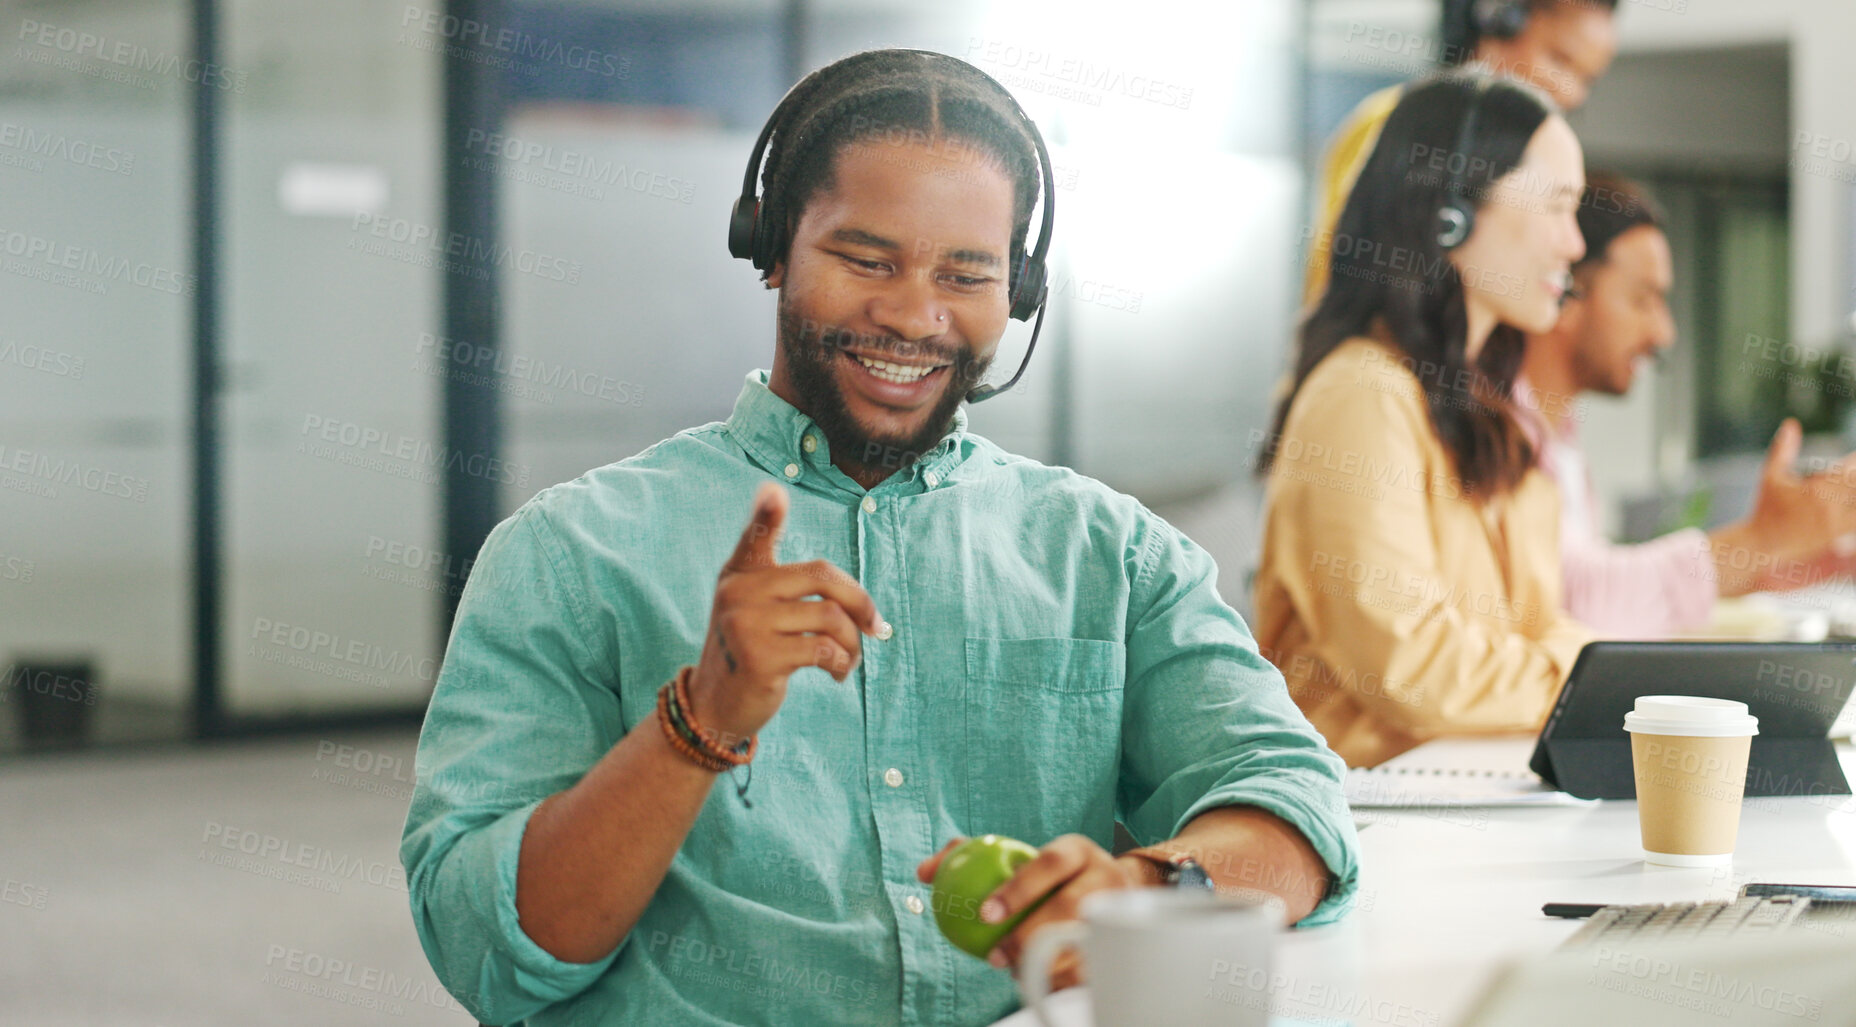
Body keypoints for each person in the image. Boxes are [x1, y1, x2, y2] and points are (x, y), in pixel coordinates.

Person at [401, 49, 1358, 1027]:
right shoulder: (568, 553)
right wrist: (695, 724)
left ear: (1018, 293)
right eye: (866, 260)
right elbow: (491, 954)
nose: (912, 315)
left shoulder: (1110, 552)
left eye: (967, 273)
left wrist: (1148, 893)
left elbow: (1293, 801)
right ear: (772, 247)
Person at [1253, 72, 1593, 770]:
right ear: (1450, 214)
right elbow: (1412, 669)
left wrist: (1587, 667)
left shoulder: (1486, 404)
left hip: (1472, 796)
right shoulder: (1362, 395)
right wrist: (1587, 673)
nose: (1574, 244)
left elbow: (1532, 625)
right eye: (1557, 207)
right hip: (1373, 822)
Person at [1517, 173, 1856, 636]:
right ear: (1564, 290)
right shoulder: (1493, 427)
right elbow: (1574, 597)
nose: (1664, 333)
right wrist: (1761, 540)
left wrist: (1766, 565)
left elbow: (1600, 589)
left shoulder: (1562, 434)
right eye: (1643, 299)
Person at [1302, 0, 1619, 308]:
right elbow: (1339, 283)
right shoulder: (1395, 124)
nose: (1570, 92)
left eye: (1587, 79)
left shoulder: (1533, 158)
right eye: (1559, 60)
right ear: (1497, 22)